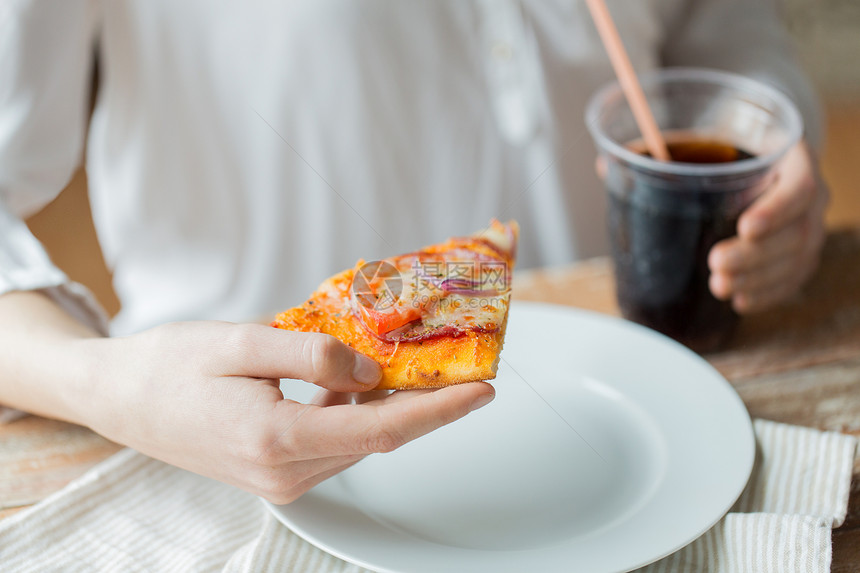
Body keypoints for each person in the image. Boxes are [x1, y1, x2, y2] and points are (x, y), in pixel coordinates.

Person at [0, 1, 827, 503]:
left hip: (635, 409)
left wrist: (774, 149)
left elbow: (723, 32)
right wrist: (107, 382)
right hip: (220, 456)